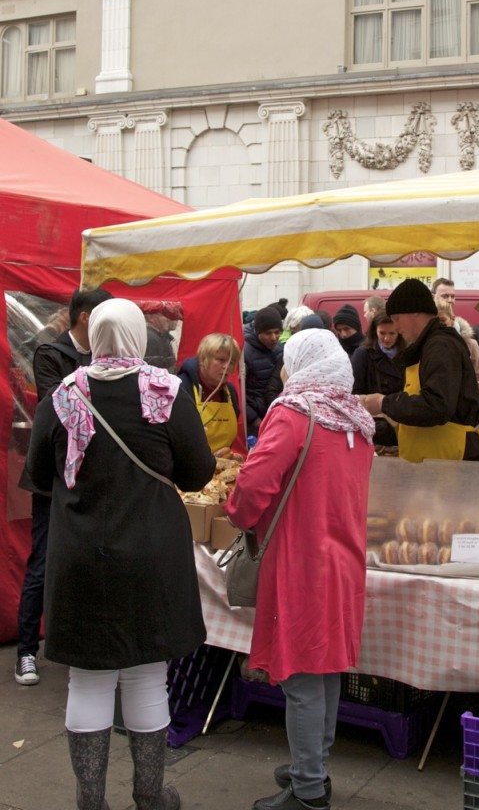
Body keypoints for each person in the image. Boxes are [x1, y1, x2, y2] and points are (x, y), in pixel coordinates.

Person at [26, 297, 214, 810]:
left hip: (81, 552)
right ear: (139, 337)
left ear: (94, 336)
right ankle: (150, 795)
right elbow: (198, 472)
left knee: (87, 678)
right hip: (152, 553)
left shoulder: (63, 395)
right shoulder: (167, 391)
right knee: (147, 673)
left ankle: (91, 801)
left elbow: (40, 478)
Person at [224, 329, 374, 810]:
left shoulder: (292, 415)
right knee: (326, 670)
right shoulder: (356, 421)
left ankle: (309, 788)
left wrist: (239, 515)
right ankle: (314, 765)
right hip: (344, 561)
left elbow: (253, 485)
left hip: (301, 563)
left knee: (303, 679)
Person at [15, 286, 113, 686]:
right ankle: (25, 651)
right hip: (53, 477)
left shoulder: (103, 357)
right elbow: (59, 408)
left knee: (89, 560)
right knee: (42, 560)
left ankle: (79, 643)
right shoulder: (51, 354)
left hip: (93, 474)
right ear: (87, 317)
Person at [363, 278, 479, 462]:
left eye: (397, 318)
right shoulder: (427, 346)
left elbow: (436, 406)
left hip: (449, 462)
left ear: (414, 313)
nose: (396, 327)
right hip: (432, 461)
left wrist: (384, 403)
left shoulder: (441, 346)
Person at [178, 332, 241, 453]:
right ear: (203, 359)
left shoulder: (230, 392)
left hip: (222, 467)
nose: (227, 366)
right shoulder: (182, 388)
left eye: (232, 362)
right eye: (221, 360)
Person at [351, 311, 404, 447]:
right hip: (375, 425)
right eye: (382, 333)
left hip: (402, 421)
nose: (386, 338)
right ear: (375, 332)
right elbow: (355, 393)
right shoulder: (363, 354)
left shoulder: (408, 354)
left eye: (392, 333)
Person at [435, 297, 479, 396]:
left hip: (461, 408)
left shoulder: (470, 344)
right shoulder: (427, 345)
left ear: (452, 318)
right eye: (435, 322)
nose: (439, 326)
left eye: (443, 321)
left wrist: (459, 391)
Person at [244, 306, 284, 436]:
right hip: (254, 422)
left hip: (274, 415)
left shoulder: (280, 350)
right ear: (257, 332)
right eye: (268, 333)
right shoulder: (245, 353)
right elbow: (240, 392)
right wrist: (254, 419)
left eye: (277, 332)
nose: (274, 337)